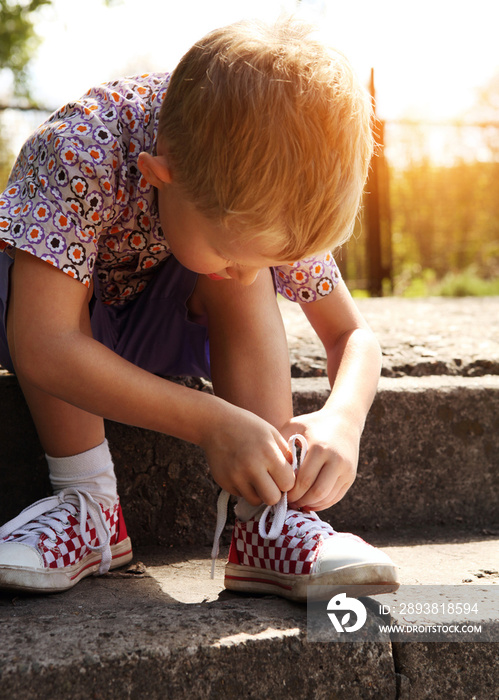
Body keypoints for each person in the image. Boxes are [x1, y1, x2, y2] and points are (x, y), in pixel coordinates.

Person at [0, 18, 398, 601]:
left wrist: (344, 419)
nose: (248, 272)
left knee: (238, 274)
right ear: (159, 176)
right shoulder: (77, 150)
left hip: (156, 324)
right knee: (41, 272)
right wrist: (213, 422)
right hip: (46, 325)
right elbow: (44, 344)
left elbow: (351, 335)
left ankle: (269, 519)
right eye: (235, 252)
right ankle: (89, 506)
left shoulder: (265, 178)